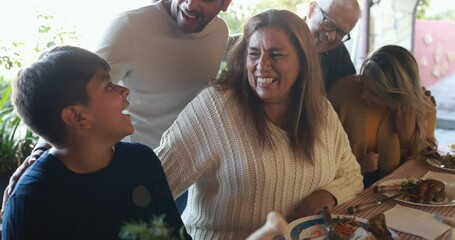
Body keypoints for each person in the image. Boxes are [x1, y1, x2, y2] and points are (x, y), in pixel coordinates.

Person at [2, 0, 232, 214]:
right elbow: (71, 95)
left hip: (192, 180)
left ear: (226, 3)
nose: (191, 3)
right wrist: (39, 154)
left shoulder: (220, 34)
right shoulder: (129, 27)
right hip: (131, 177)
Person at [154, 9, 363, 239]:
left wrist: (327, 195)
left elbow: (352, 175)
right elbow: (150, 185)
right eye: (253, 53)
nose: (262, 65)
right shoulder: (216, 108)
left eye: (276, 54)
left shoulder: (321, 110)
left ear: (303, 61)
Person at [2, 46, 190, 240]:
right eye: (108, 85)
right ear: (77, 116)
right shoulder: (32, 201)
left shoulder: (143, 161)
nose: (124, 90)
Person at [328, 45, 437, 187]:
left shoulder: (423, 108)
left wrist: (406, 139)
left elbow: (425, 167)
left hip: (398, 189)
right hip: (347, 186)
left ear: (398, 92)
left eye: (374, 92)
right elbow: (321, 151)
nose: (363, 96)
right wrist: (359, 167)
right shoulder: (343, 91)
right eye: (362, 85)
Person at [304, 0, 360, 91]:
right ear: (312, 10)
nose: (332, 37)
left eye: (341, 33)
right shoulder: (283, 39)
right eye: (329, 24)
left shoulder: (339, 55)